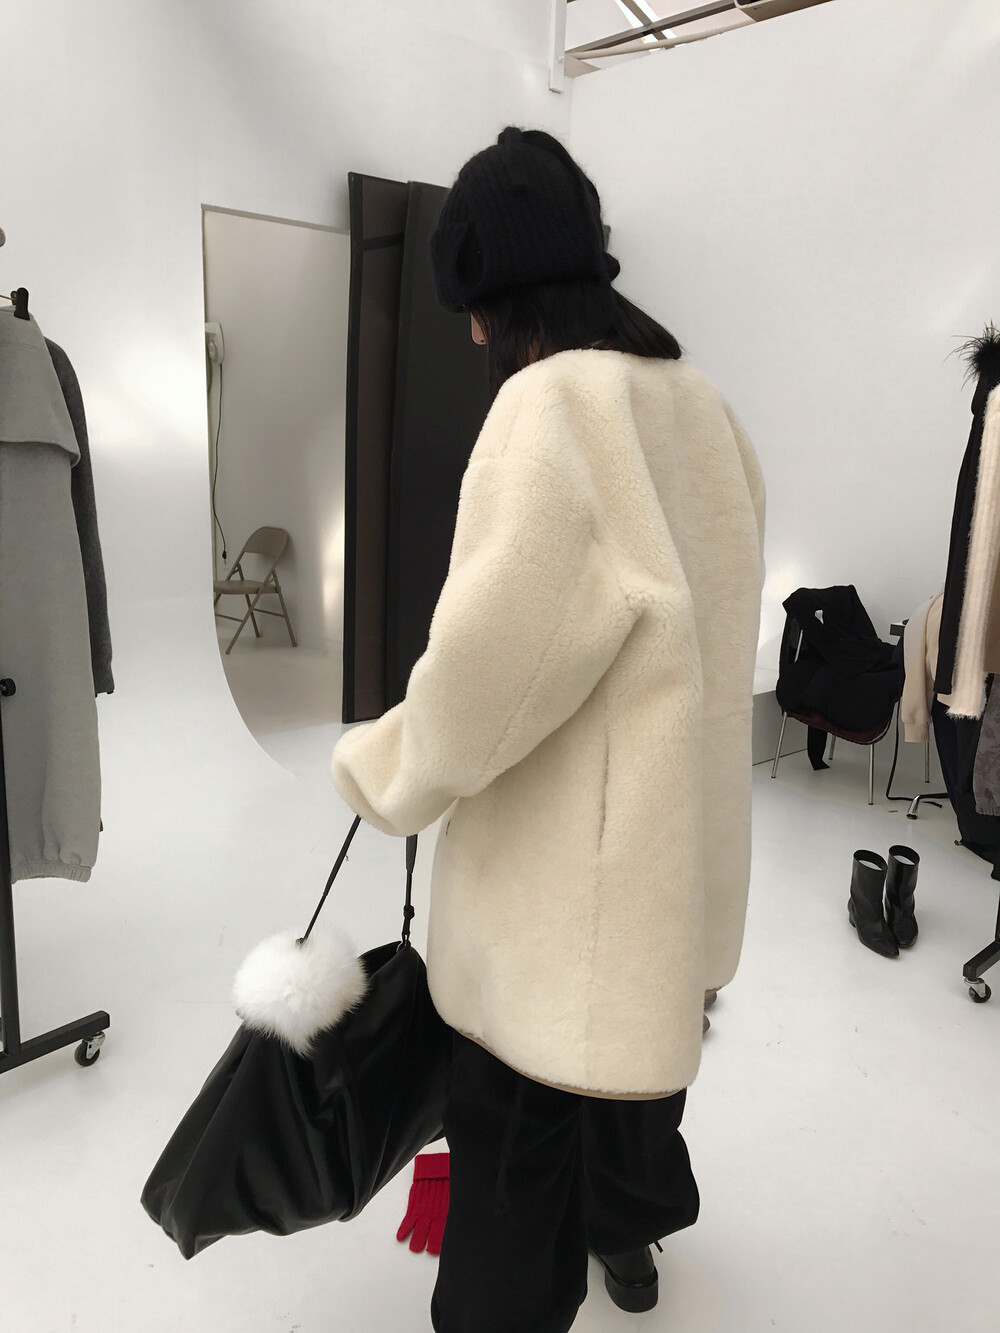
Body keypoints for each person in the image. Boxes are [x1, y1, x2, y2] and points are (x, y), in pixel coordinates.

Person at [331, 126, 765, 1333]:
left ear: (489, 288)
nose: (471, 336)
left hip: (561, 897)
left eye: (468, 307)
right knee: (629, 1091)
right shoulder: (701, 406)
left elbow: (493, 674)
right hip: (668, 869)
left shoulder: (551, 408)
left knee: (514, 1172)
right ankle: (628, 1243)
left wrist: (386, 771)